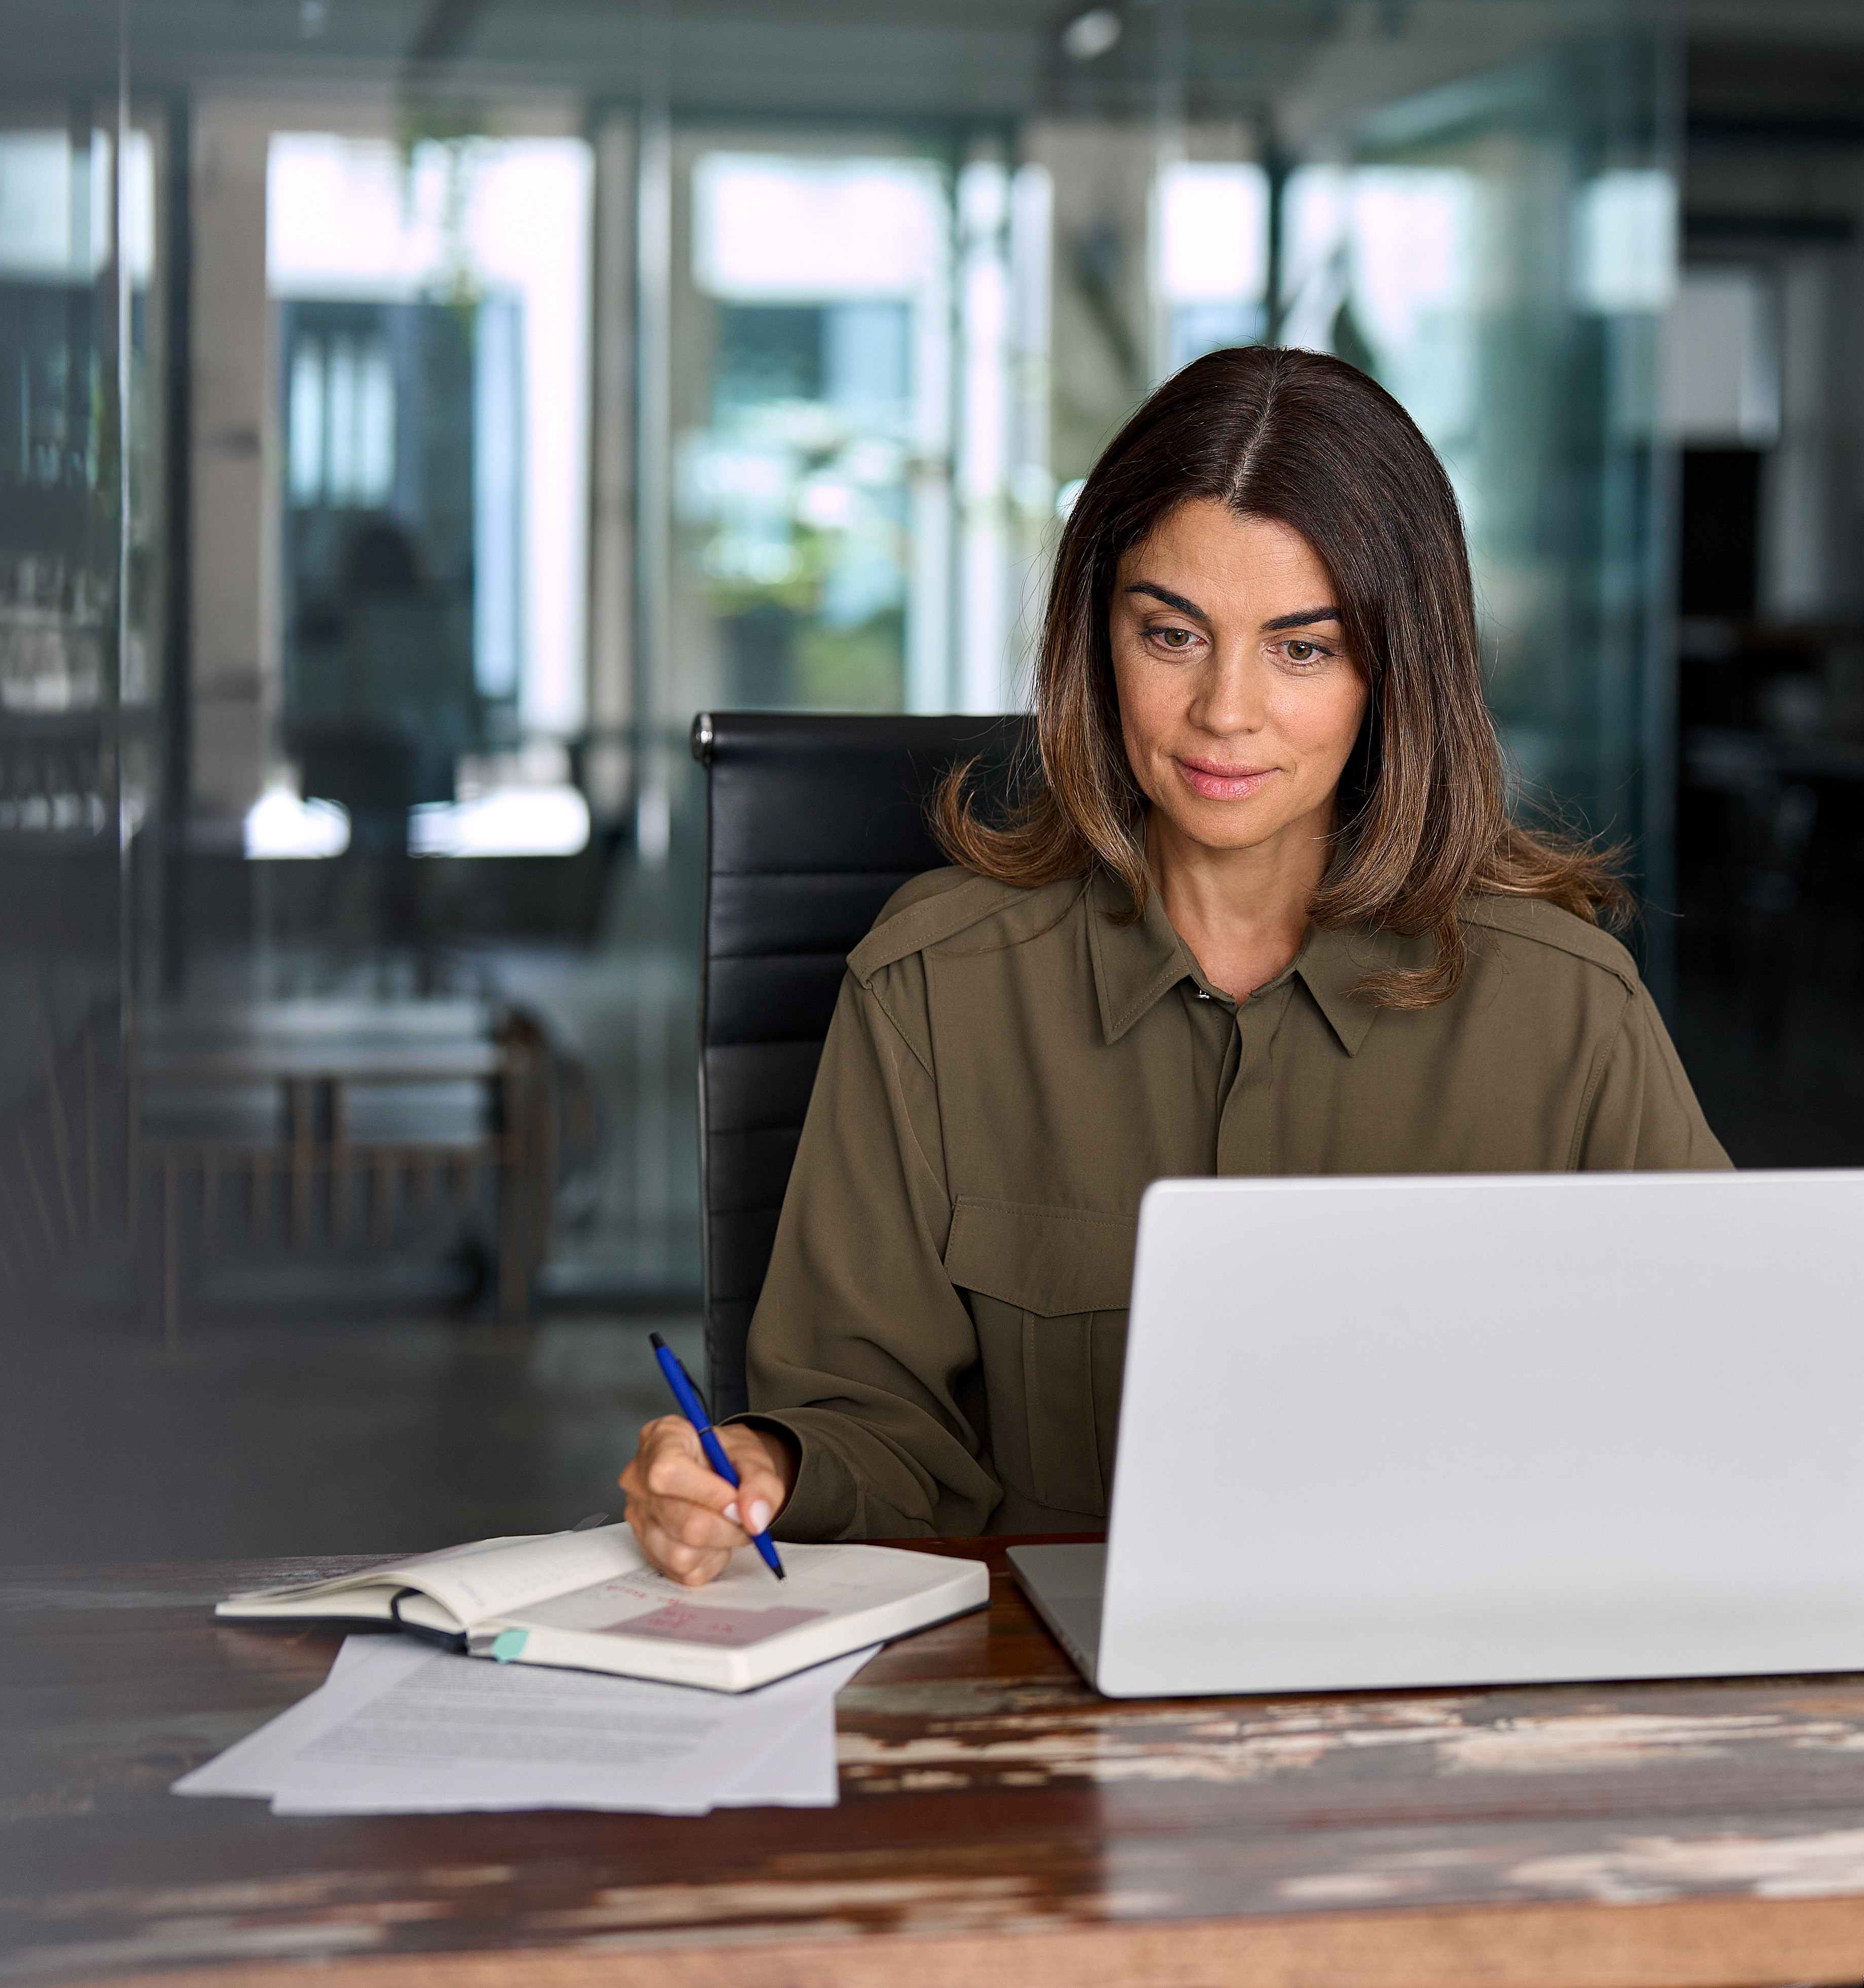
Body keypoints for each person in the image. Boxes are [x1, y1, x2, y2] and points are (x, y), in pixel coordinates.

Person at [621, 346, 1727, 1582]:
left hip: (1457, 1702)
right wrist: (765, 1468)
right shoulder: (932, 987)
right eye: (1171, 635)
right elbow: (875, 1437)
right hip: (1046, 1711)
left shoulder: (1567, 1008)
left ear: (1393, 673)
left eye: (1302, 649)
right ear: (1098, 639)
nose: (1224, 711)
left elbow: (1715, 1415)